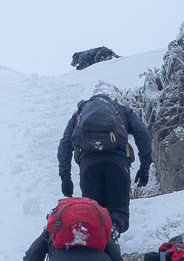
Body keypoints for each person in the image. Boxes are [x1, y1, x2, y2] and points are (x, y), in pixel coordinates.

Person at [57, 91, 152, 234]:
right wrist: (144, 167)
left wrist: (65, 178)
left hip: (89, 167)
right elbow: (142, 134)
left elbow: (65, 144)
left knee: (93, 216)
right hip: (118, 164)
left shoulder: (79, 115)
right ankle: (113, 234)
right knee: (118, 214)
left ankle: (97, 249)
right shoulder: (122, 110)